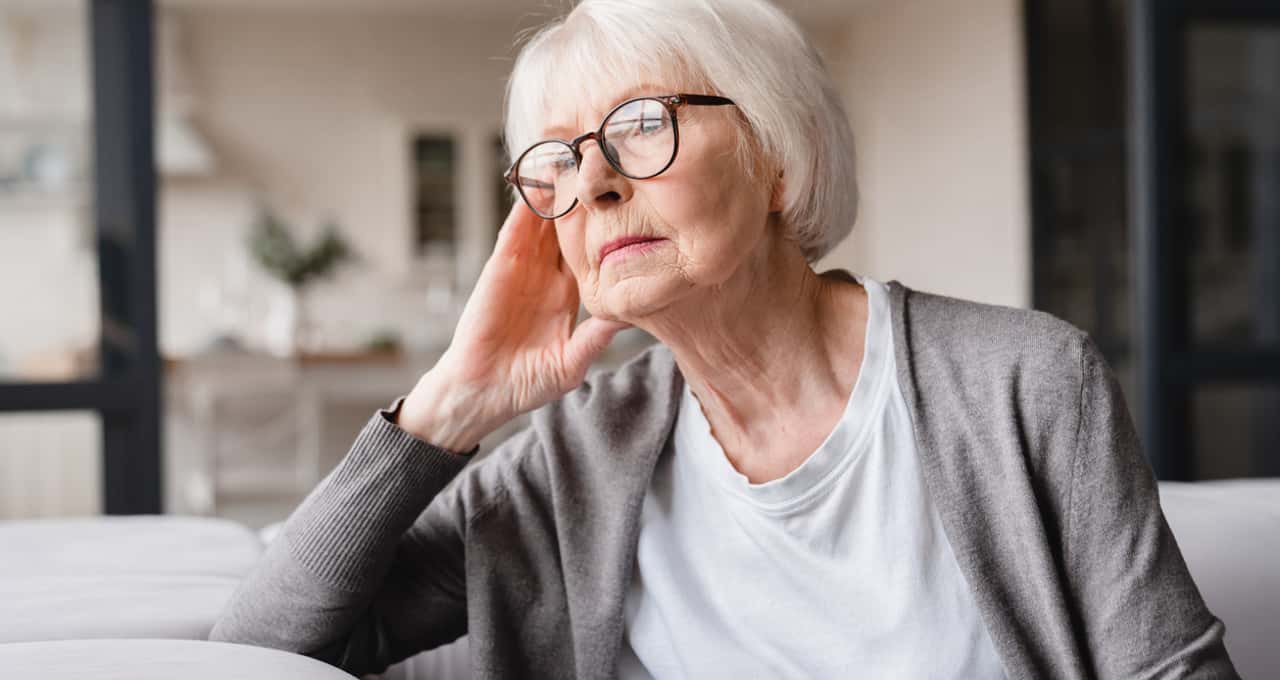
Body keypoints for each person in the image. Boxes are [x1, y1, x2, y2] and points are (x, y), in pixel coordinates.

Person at [210, 0, 1238, 678]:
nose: (596, 179)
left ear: (777, 159)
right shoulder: (576, 453)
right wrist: (448, 407)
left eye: (641, 123)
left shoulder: (1022, 382)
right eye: (558, 160)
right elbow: (260, 651)